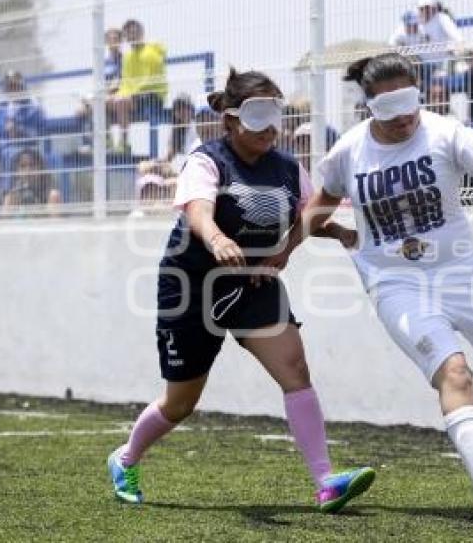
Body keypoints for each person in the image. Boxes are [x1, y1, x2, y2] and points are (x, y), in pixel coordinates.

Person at [287, 53, 473, 529]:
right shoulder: (349, 154)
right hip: (396, 284)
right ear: (368, 105)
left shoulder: (445, 133)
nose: (402, 118)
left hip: (463, 273)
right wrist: (299, 248)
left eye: (409, 103)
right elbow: (314, 216)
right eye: (388, 107)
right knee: (454, 373)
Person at [106, 67, 374, 512]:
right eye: (258, 117)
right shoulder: (207, 160)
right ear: (230, 120)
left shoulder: (289, 167)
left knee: (295, 370)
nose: (270, 128)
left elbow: (309, 216)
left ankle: (326, 481)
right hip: (193, 286)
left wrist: (330, 236)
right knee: (180, 403)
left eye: (276, 116)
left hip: (255, 283)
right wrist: (216, 239)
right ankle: (126, 457)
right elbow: (198, 211)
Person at [109, 19, 168, 152]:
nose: (132, 36)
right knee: (107, 101)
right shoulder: (128, 57)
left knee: (121, 101)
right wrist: (118, 94)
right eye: (128, 34)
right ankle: (107, 142)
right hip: (132, 96)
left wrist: (126, 94)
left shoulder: (152, 50)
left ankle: (123, 143)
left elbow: (151, 78)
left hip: (152, 96)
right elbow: (125, 83)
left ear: (141, 32)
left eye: (134, 32)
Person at [1, 148, 61, 214]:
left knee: (54, 195)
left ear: (40, 167)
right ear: (17, 170)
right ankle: (5, 223)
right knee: (9, 197)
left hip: (44, 220)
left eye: (32, 165)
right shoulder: (16, 184)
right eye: (23, 166)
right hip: (22, 220)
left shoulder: (48, 183)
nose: (28, 170)